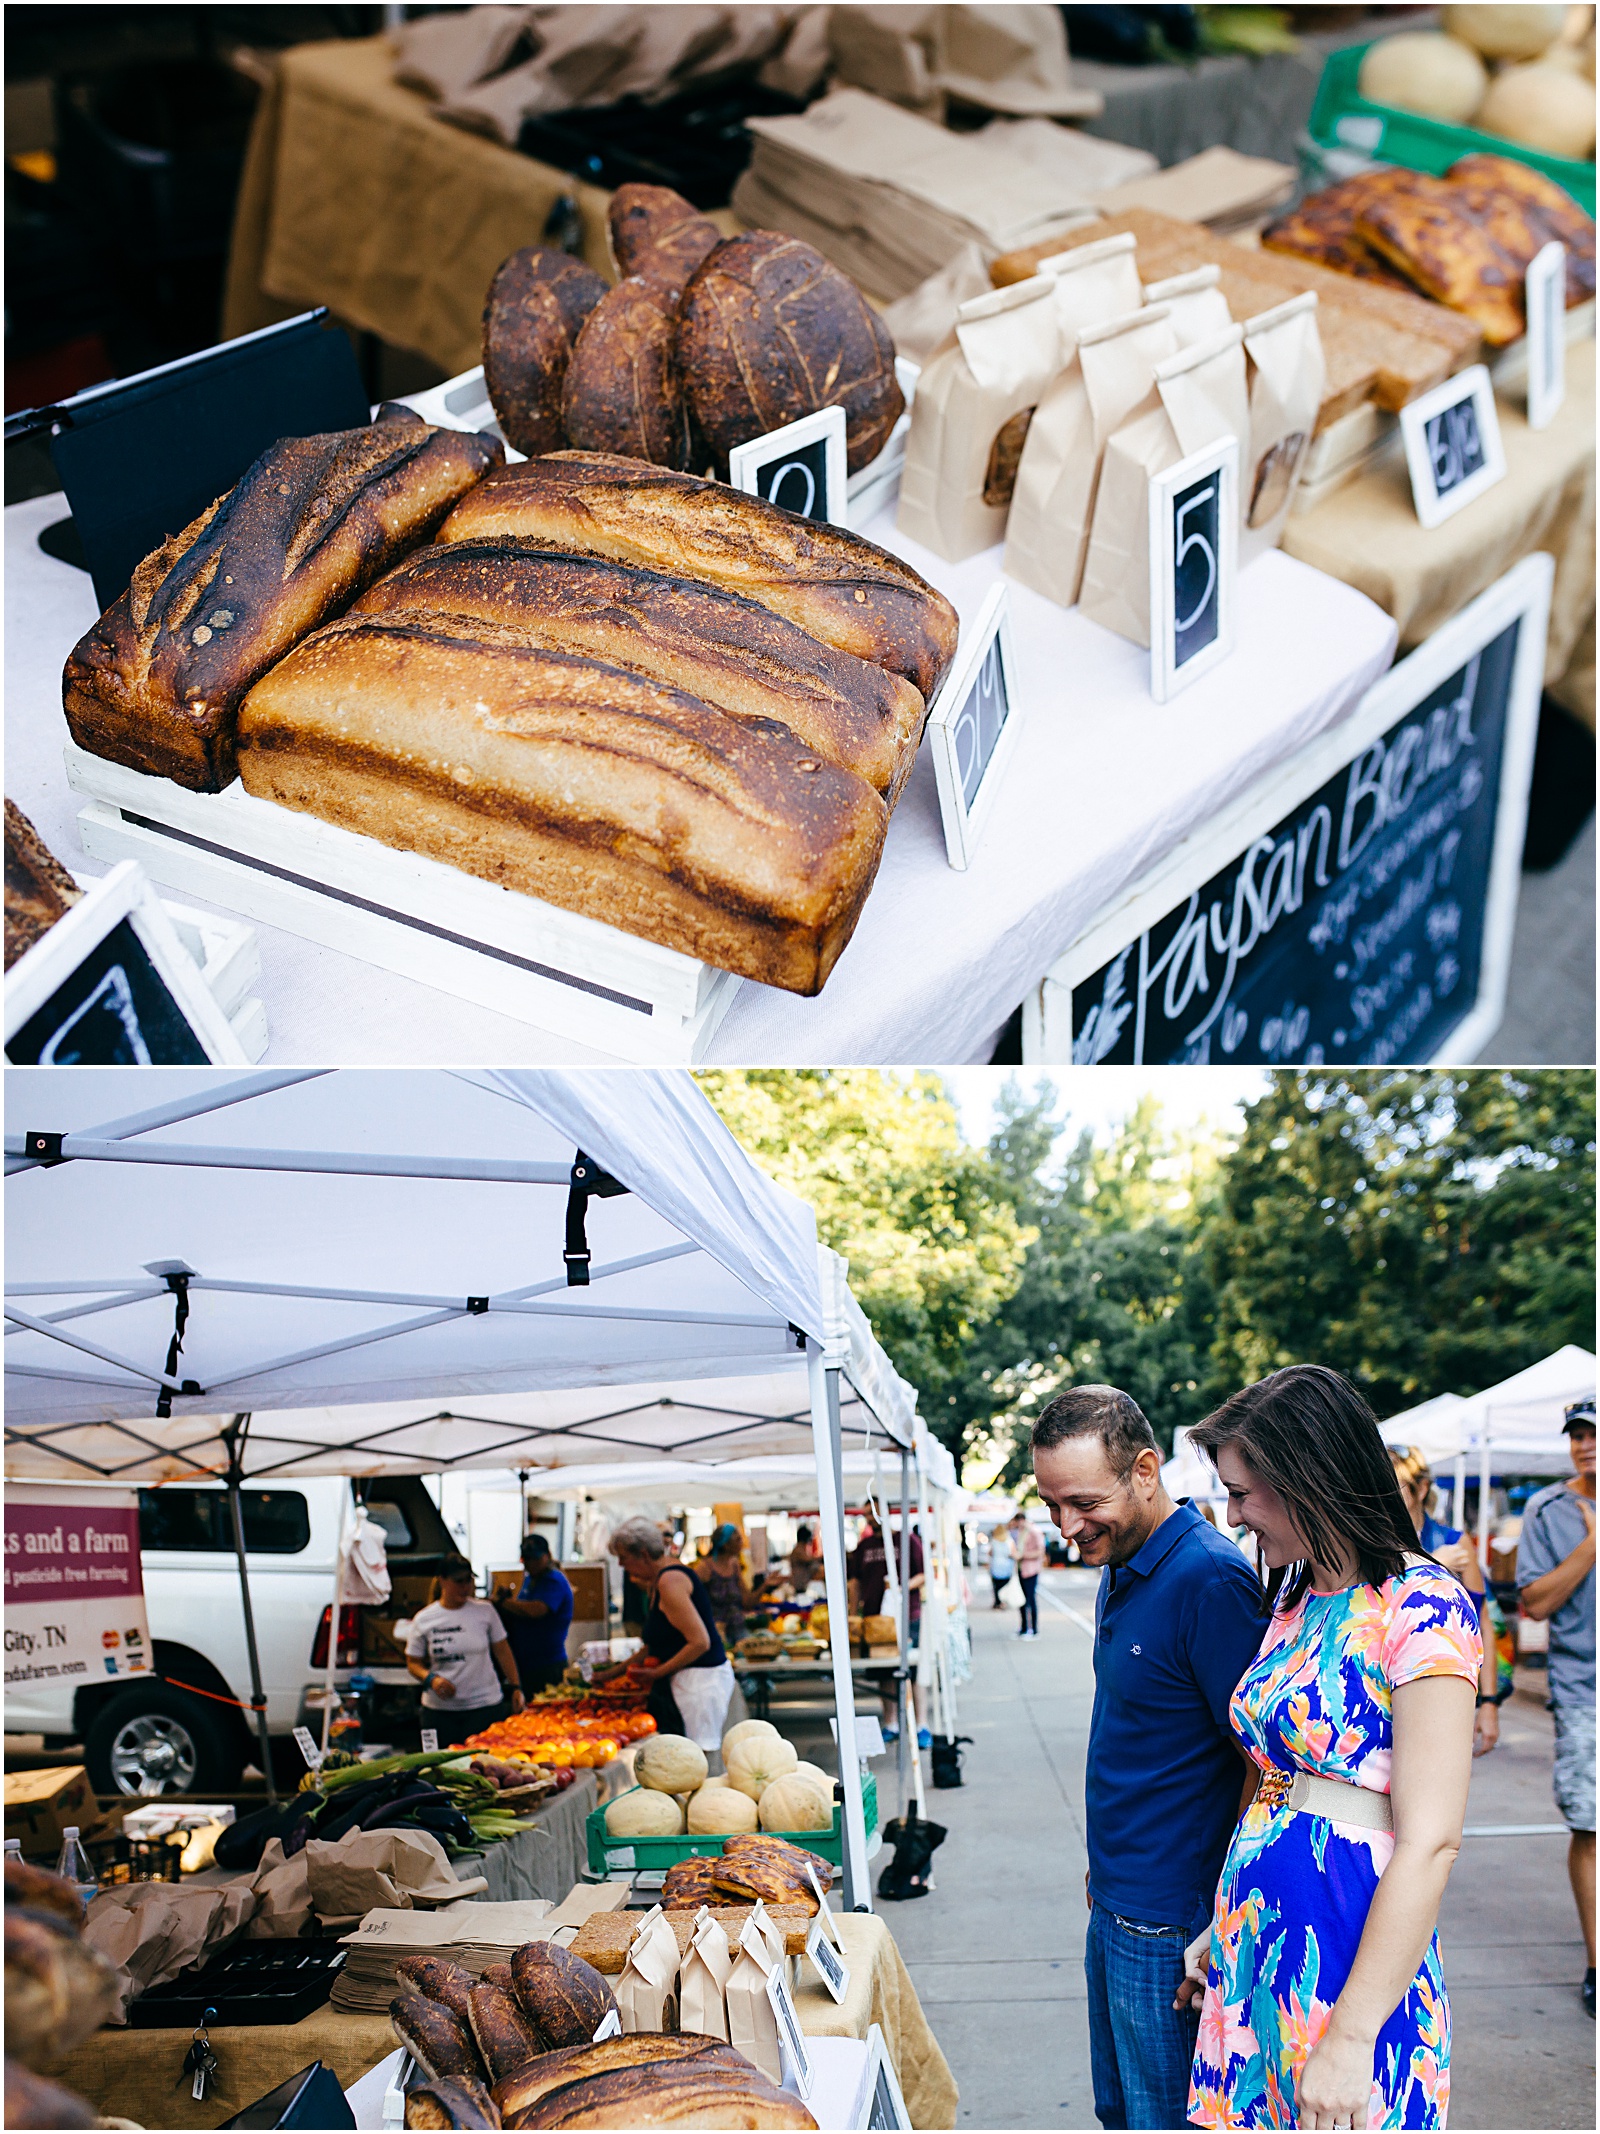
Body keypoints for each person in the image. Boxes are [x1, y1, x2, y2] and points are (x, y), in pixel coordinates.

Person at [1180, 1366, 1481, 2131]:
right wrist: (1228, 1919)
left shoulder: (1423, 1605)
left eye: (1242, 1492)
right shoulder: (1296, 1596)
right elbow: (1276, 1780)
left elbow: (1432, 1841)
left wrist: (1351, 2037)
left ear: (1307, 1477)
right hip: (1258, 1942)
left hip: (1349, 1954)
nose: (1232, 1515)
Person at [1032, 1385, 1264, 2133]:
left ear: (1144, 1470)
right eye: (1052, 1505)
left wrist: (1222, 1916)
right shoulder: (1123, 1560)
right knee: (1121, 2113)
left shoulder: (1209, 1578)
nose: (1068, 1526)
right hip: (1116, 1899)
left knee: (1160, 2119)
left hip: (1171, 1921)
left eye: (1083, 1503)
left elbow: (1262, 1763)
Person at [1516, 1395, 1596, 2019]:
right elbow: (1536, 1603)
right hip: (1585, 1687)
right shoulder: (1547, 1509)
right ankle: (1598, 1965)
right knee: (1590, 1824)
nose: (1585, 1444)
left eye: (1594, 1433)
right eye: (1576, 1434)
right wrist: (1591, 1547)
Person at [1389, 1446, 1503, 1755]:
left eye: (1395, 1485)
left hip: (1445, 1687)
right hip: (1388, 1692)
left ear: (1421, 1488)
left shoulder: (1453, 1541)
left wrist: (1489, 1703)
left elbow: (1481, 1623)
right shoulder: (1374, 1543)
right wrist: (1434, 1566)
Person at [610, 1515, 735, 1748]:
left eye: (623, 1558)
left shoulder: (670, 1582)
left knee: (696, 1757)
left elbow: (700, 1642)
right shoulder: (662, 1579)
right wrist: (611, 1674)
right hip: (690, 1681)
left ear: (643, 1555)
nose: (621, 1565)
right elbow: (654, 1645)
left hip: (698, 1683)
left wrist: (657, 1673)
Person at [404, 1557, 526, 1746]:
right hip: (439, 1712)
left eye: (468, 1580)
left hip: (484, 1707)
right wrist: (431, 1679)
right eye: (458, 1581)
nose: (465, 1587)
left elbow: (503, 1651)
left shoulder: (485, 1611)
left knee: (485, 1761)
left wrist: (516, 1687)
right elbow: (413, 1662)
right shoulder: (424, 1619)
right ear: (442, 1581)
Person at [495, 1534, 574, 1697]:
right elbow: (522, 1609)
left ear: (547, 1555)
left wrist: (503, 1602)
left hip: (547, 1665)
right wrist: (509, 1601)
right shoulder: (531, 1579)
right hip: (527, 1664)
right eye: (527, 1559)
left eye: (536, 1559)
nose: (531, 1564)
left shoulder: (553, 1580)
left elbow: (537, 1610)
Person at [695, 1523, 754, 1653]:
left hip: (738, 1628)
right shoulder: (704, 1568)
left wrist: (766, 1585)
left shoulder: (734, 1564)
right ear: (725, 1544)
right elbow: (694, 1599)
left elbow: (746, 1600)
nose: (742, 1543)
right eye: (738, 1539)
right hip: (715, 1632)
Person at [847, 1513, 890, 1616]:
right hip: (871, 1612)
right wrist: (853, 1614)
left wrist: (902, 1588)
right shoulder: (864, 1546)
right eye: (867, 1514)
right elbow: (855, 1581)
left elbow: (922, 1574)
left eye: (872, 1512)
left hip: (904, 1612)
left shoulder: (904, 1540)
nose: (870, 1518)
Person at [1010, 1510, 1044, 1638]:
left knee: (1030, 1599)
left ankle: (1034, 1629)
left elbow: (1040, 1552)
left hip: (1031, 1569)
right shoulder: (1021, 1532)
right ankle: (1024, 1627)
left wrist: (1023, 1555)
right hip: (1021, 1569)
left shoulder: (1034, 1531)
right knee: (1022, 1600)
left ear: (1021, 1520)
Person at [987, 1520, 1014, 1609]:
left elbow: (990, 1553)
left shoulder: (994, 1541)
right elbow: (1013, 1553)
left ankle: (997, 1602)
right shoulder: (1009, 1540)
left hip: (996, 1566)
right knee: (1004, 1585)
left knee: (996, 1586)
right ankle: (1002, 1602)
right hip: (1007, 1567)